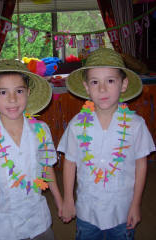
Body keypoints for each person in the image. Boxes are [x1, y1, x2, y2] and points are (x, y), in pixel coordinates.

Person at [57, 48, 155, 240]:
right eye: (95, 82)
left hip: (122, 210)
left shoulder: (136, 125)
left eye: (110, 81)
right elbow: (70, 162)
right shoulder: (78, 123)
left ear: (123, 84)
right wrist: (68, 199)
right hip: (87, 210)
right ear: (87, 87)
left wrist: (135, 204)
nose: (102, 89)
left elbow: (141, 165)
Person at [0, 59, 62, 240]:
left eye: (19, 91)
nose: (12, 99)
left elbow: (47, 167)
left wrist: (59, 200)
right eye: (3, 92)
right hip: (5, 228)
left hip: (39, 220)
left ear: (28, 93)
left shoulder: (42, 130)